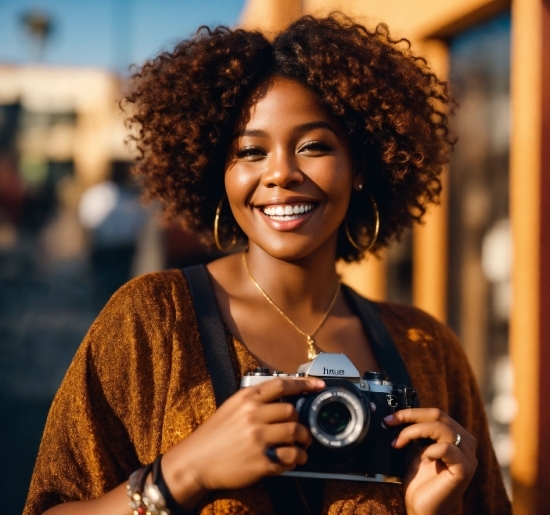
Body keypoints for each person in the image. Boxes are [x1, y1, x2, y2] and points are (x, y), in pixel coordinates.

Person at [24, 14, 512, 515]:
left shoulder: (428, 351)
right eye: (251, 151)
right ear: (219, 171)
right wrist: (183, 473)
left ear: (361, 165)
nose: (280, 173)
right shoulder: (150, 322)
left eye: (314, 146)